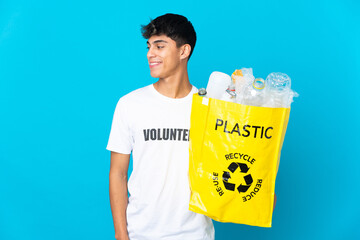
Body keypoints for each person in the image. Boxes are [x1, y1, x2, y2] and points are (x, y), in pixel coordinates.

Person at [107, 13, 215, 240]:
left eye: (160, 46)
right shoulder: (130, 104)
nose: (150, 54)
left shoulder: (211, 107)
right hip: (141, 234)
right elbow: (118, 174)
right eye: (149, 46)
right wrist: (120, 235)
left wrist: (260, 195)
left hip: (196, 234)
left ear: (184, 51)